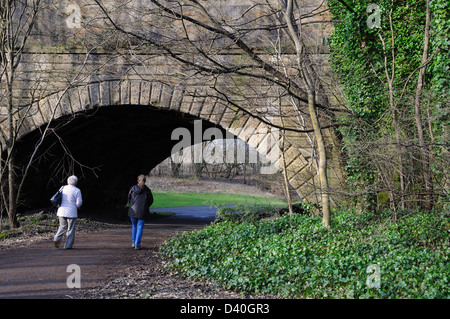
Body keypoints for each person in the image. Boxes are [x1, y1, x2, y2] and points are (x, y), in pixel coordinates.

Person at [53, 175, 83, 249]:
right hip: (71, 212)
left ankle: (57, 238)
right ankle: (68, 245)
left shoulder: (62, 188)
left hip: (61, 210)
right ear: (76, 182)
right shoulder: (77, 190)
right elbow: (79, 202)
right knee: (70, 229)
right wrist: (77, 206)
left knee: (62, 227)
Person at [128, 174, 153, 250]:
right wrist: (145, 206)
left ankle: (133, 242)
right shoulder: (147, 190)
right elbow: (151, 201)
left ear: (138, 181)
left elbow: (129, 199)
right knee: (140, 227)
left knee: (134, 226)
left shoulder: (132, 189)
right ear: (145, 181)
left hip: (133, 212)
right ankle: (137, 244)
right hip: (142, 212)